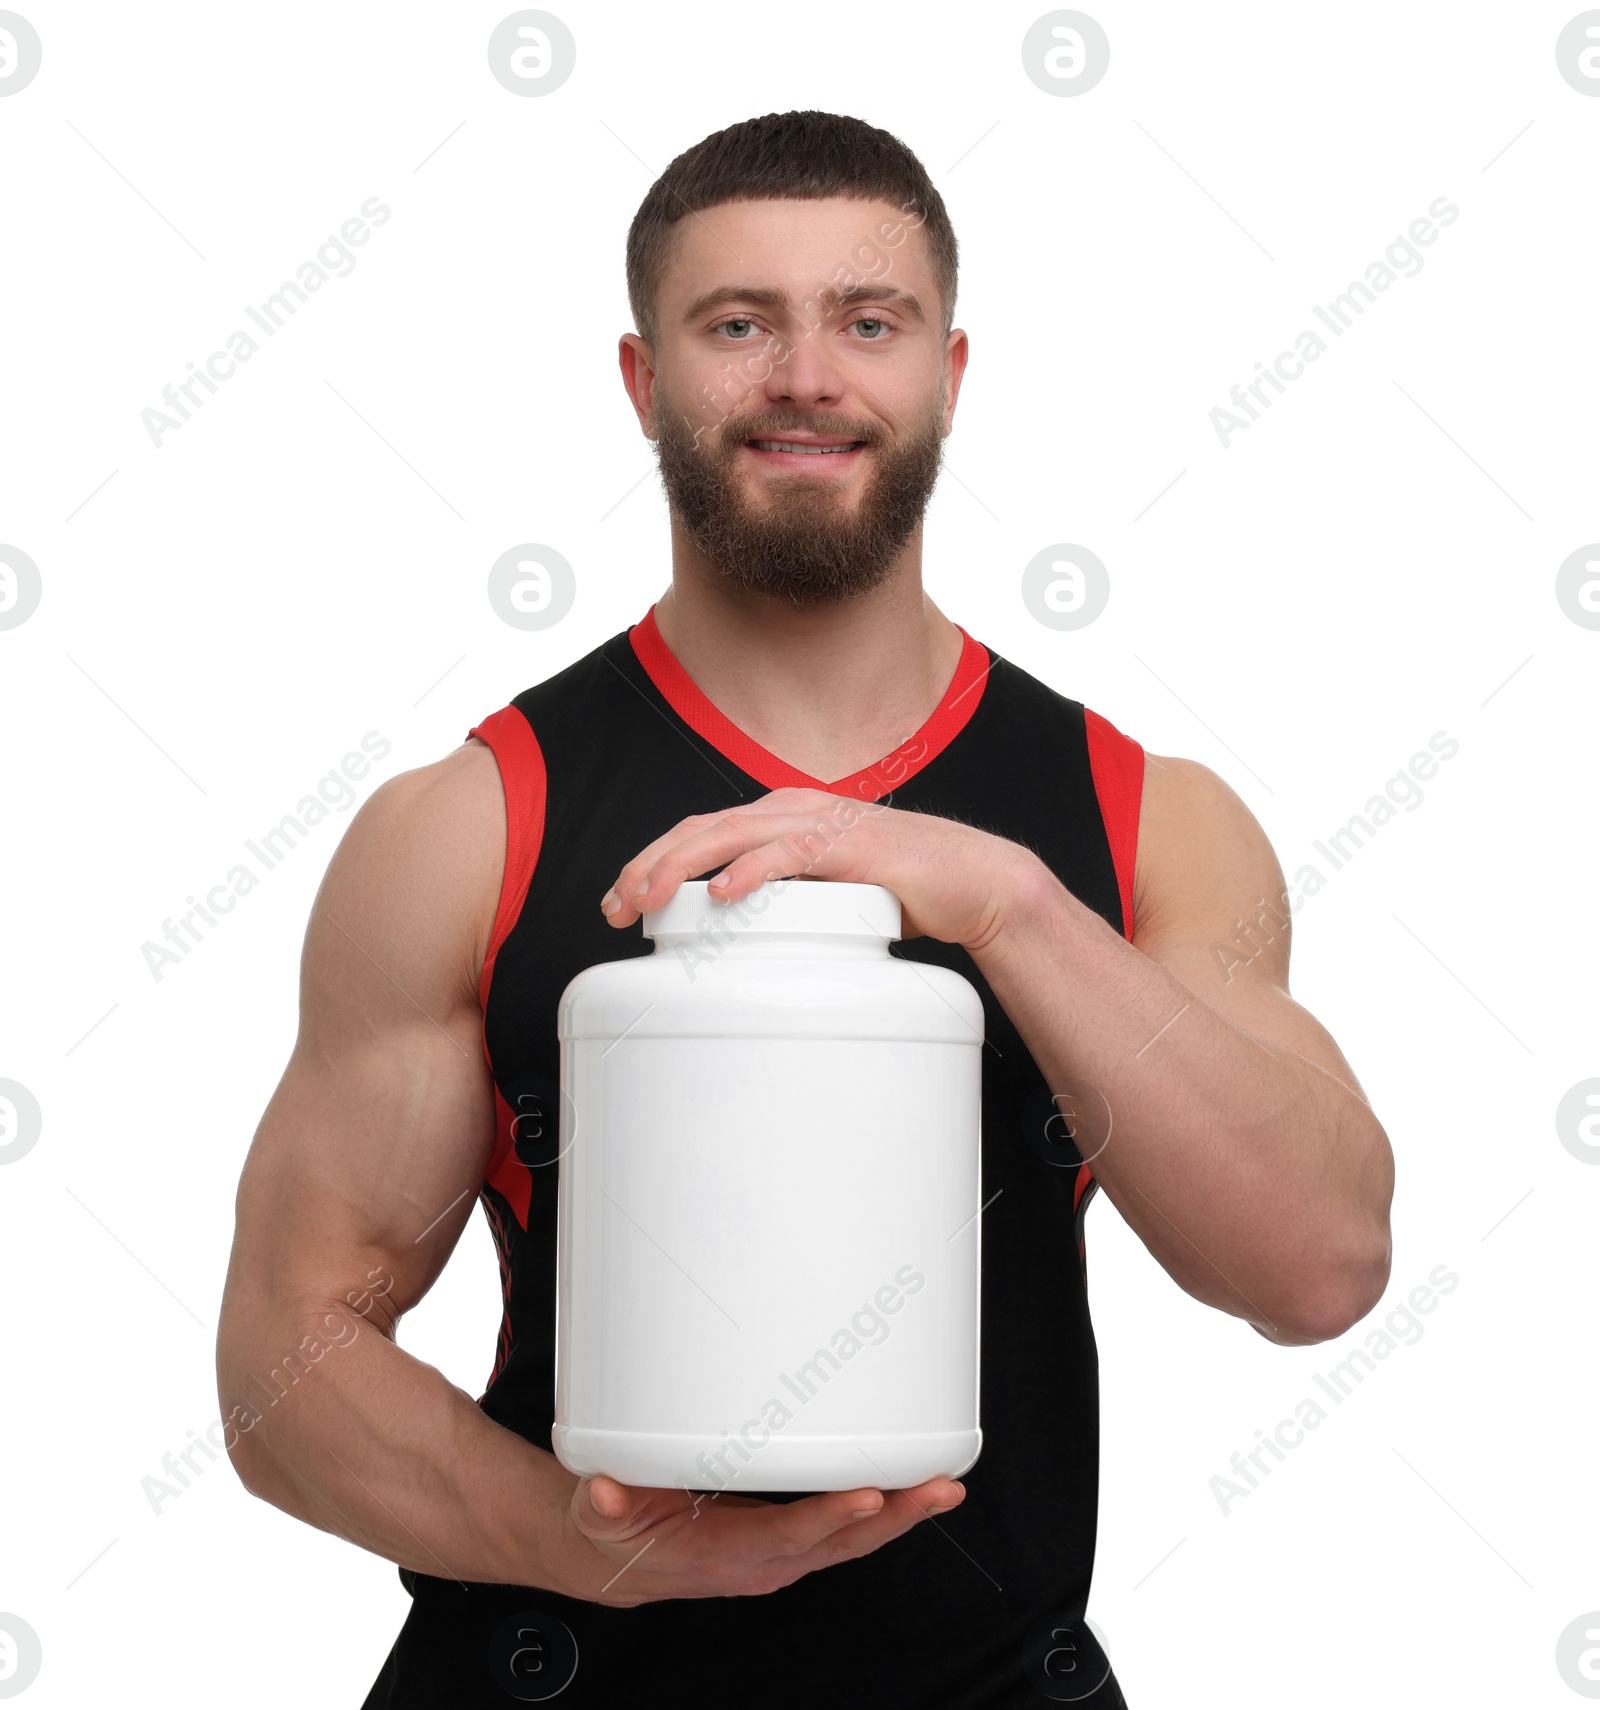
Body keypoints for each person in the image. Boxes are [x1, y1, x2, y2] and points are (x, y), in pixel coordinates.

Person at [217, 109, 1395, 1708]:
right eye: (737, 324)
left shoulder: (1142, 822)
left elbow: (1317, 1265)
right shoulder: (472, 825)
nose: (805, 377)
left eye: (867, 322)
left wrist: (997, 899)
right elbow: (284, 1363)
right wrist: (584, 1542)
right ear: (644, 380)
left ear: (951, 373)